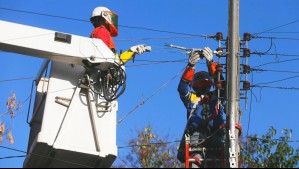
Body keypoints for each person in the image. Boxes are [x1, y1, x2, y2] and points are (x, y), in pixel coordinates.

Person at [177, 47, 226, 168]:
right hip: (196, 132)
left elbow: (224, 87)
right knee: (196, 157)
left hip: (216, 131)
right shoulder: (193, 98)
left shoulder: (216, 96)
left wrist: (211, 64)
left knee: (218, 159)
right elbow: (182, 89)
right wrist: (191, 65)